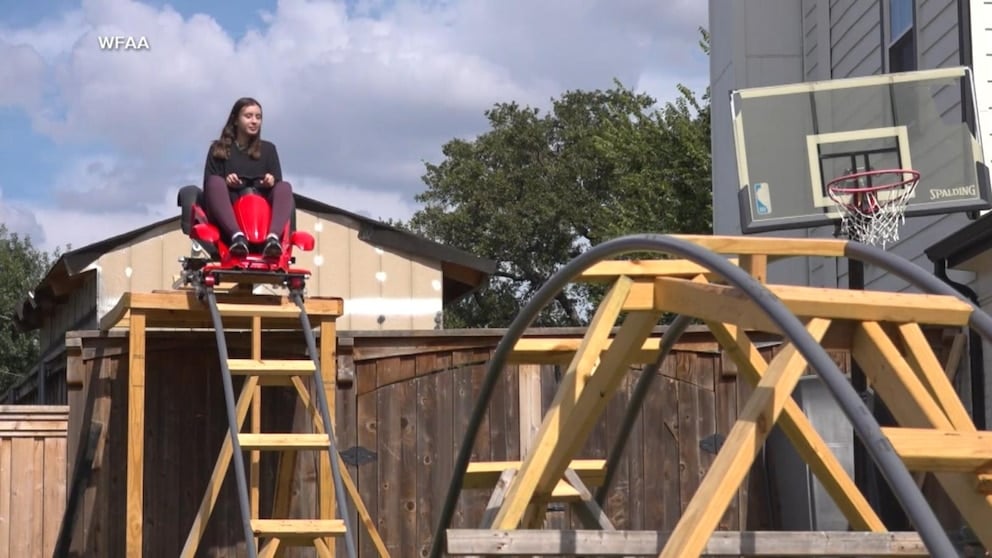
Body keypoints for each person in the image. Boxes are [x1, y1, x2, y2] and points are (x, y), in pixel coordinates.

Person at [202, 96, 294, 258]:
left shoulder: (268, 150)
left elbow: (278, 184)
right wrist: (227, 181)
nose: (254, 121)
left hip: (260, 211)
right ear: (236, 120)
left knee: (284, 186)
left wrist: (271, 182)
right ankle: (237, 237)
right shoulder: (219, 149)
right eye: (249, 116)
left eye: (258, 117)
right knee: (216, 182)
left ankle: (272, 239)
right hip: (230, 206)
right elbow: (209, 186)